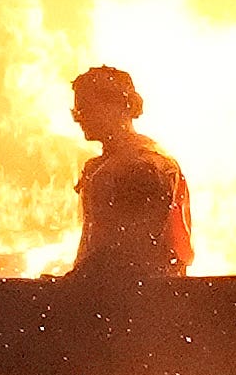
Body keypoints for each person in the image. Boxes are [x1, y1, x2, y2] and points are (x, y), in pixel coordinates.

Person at [68, 65, 194, 277]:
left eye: (87, 109)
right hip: (108, 289)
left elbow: (133, 248)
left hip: (138, 293)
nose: (80, 118)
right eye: (77, 112)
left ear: (118, 106)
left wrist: (78, 282)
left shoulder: (145, 166)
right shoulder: (101, 167)